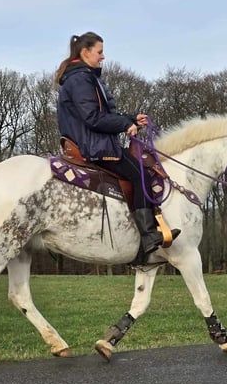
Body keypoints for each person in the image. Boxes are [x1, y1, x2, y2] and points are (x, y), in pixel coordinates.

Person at [55, 31, 179, 259]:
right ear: (85, 52)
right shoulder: (82, 79)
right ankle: (149, 235)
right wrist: (124, 124)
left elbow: (99, 114)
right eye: (99, 52)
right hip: (93, 146)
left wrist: (131, 119)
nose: (103, 57)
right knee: (140, 174)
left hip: (90, 142)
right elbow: (93, 118)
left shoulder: (82, 77)